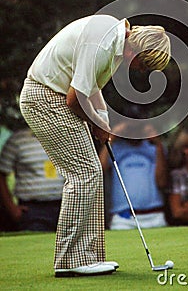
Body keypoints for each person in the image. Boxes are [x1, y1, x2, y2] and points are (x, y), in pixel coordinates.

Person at [19, 14, 170, 277]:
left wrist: (104, 119)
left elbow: (89, 88)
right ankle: (69, 260)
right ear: (136, 48)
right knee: (84, 173)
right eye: (144, 66)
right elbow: (74, 98)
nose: (141, 71)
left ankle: (88, 256)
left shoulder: (113, 42)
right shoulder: (103, 43)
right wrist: (97, 125)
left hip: (53, 95)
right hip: (43, 96)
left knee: (91, 173)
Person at [100, 120, 168, 230]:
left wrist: (157, 142)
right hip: (124, 217)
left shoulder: (155, 148)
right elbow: (100, 169)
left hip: (154, 214)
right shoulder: (115, 148)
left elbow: (162, 181)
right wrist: (112, 136)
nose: (134, 131)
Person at [0, 128, 64, 231]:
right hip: (33, 210)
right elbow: (2, 174)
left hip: (64, 206)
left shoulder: (65, 138)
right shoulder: (18, 140)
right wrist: (12, 208)